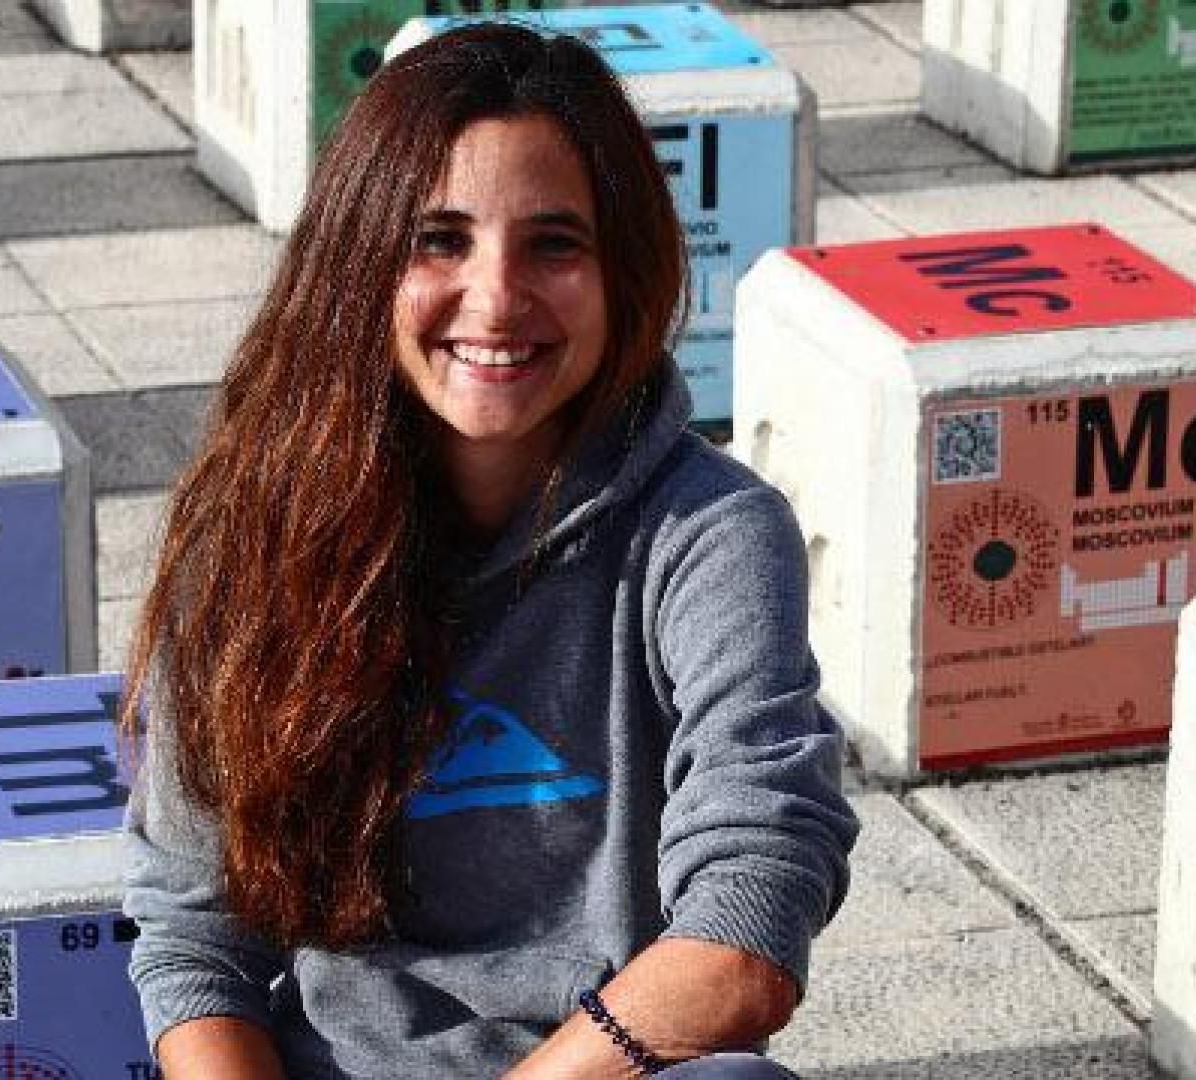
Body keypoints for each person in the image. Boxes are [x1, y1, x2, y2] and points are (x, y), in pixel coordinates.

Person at [121, 20, 859, 1079]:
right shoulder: (253, 537)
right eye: (439, 239)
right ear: (359, 264)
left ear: (626, 272)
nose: (497, 298)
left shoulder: (711, 535)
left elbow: (747, 929)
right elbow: (195, 944)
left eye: (555, 243)